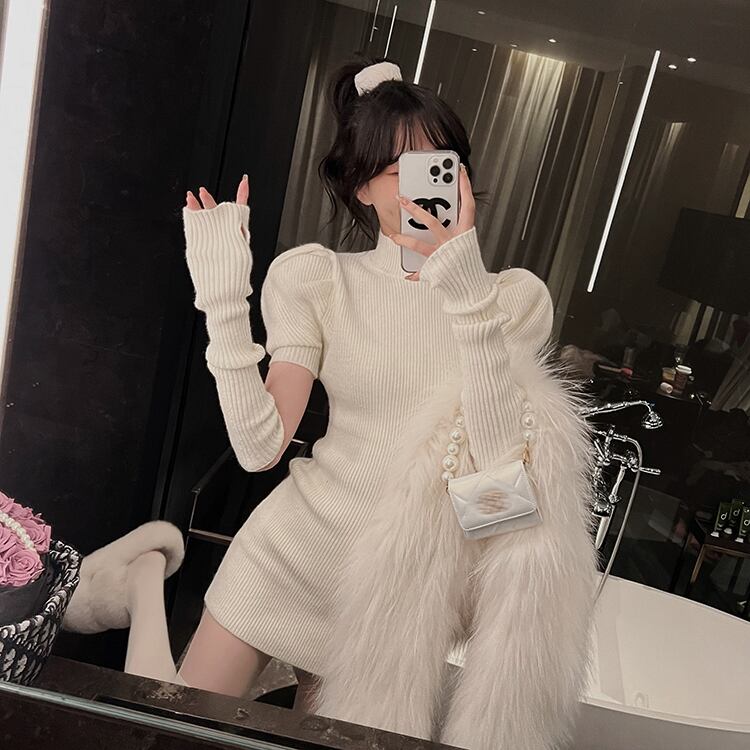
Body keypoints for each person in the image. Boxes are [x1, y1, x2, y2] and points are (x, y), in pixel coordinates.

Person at [64, 54, 596, 741]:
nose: (423, 186)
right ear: (361, 187)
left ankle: (142, 577)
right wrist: (224, 304)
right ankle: (144, 581)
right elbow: (260, 449)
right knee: (175, 730)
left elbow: (497, 490)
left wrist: (464, 287)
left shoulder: (513, 300)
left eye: (441, 164)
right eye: (398, 169)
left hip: (384, 602)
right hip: (292, 552)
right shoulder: (320, 280)